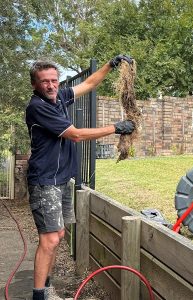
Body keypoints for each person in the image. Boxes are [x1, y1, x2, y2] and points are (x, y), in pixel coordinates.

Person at [25, 55, 134, 300]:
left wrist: (110, 65)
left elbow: (89, 84)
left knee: (58, 235)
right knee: (50, 238)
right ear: (35, 85)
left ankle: (47, 287)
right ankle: (39, 295)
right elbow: (75, 135)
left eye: (54, 80)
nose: (51, 85)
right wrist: (115, 128)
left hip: (61, 179)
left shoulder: (59, 97)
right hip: (45, 181)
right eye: (45, 82)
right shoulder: (38, 107)